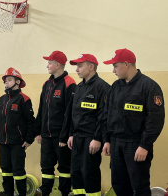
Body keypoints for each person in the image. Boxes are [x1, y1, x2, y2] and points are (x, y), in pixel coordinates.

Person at [102, 48, 165, 196]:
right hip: (116, 144)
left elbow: (155, 119)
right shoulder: (115, 87)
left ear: (126, 64)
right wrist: (107, 140)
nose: (113, 70)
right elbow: (107, 115)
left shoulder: (149, 86)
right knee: (119, 185)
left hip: (136, 145)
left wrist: (145, 145)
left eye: (115, 66)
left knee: (139, 187)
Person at [35, 51, 76, 196]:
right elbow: (41, 109)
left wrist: (64, 137)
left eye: (50, 63)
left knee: (64, 168)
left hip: (61, 137)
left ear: (58, 65)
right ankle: (45, 192)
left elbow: (70, 114)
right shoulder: (46, 84)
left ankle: (65, 192)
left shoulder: (69, 83)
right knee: (46, 167)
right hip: (46, 135)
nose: (47, 66)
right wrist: (38, 132)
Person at [67, 54, 109, 196]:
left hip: (91, 138)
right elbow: (75, 113)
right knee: (76, 173)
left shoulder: (102, 87)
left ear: (91, 67)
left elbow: (104, 116)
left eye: (80, 66)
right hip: (77, 138)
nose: (76, 70)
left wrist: (98, 138)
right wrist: (71, 134)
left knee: (89, 173)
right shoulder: (79, 87)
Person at [0, 67, 35, 196]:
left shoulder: (24, 99)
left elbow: (31, 121)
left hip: (18, 143)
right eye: (5, 81)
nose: (6, 83)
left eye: (9, 80)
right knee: (6, 171)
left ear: (17, 81)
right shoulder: (0, 100)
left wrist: (28, 140)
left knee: (18, 171)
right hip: (3, 142)